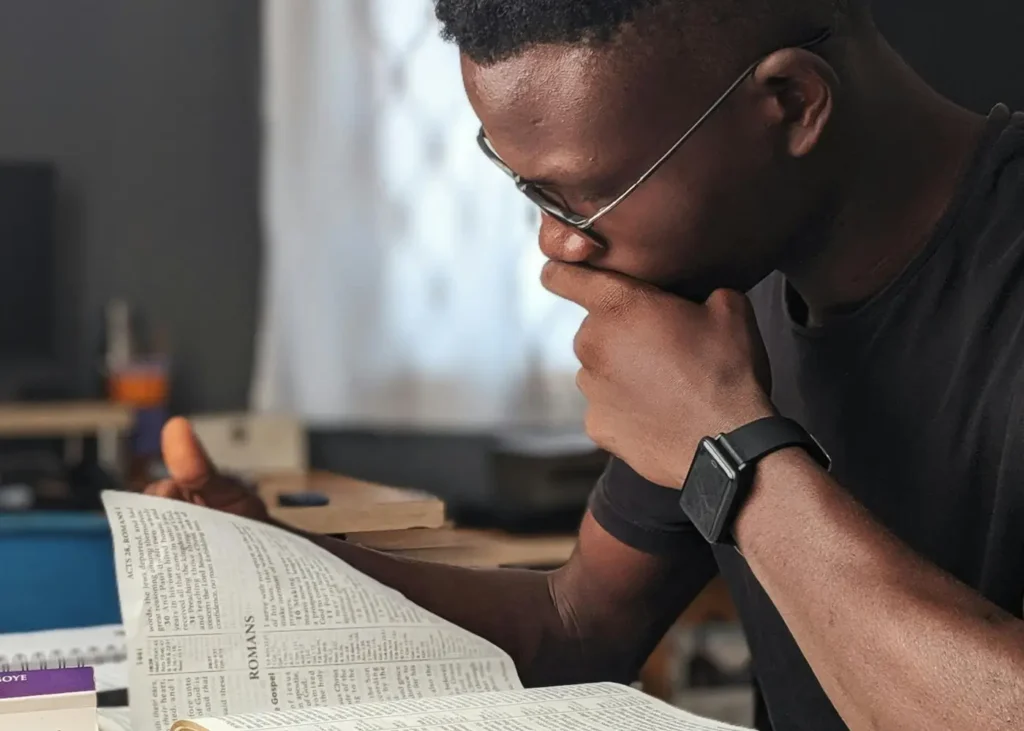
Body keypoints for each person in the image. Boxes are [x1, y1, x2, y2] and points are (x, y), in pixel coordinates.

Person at [148, 1, 1024, 728]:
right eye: (530, 190)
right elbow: (575, 625)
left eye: (590, 194)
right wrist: (270, 561)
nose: (557, 242)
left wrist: (731, 451)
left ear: (792, 103)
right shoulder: (727, 283)